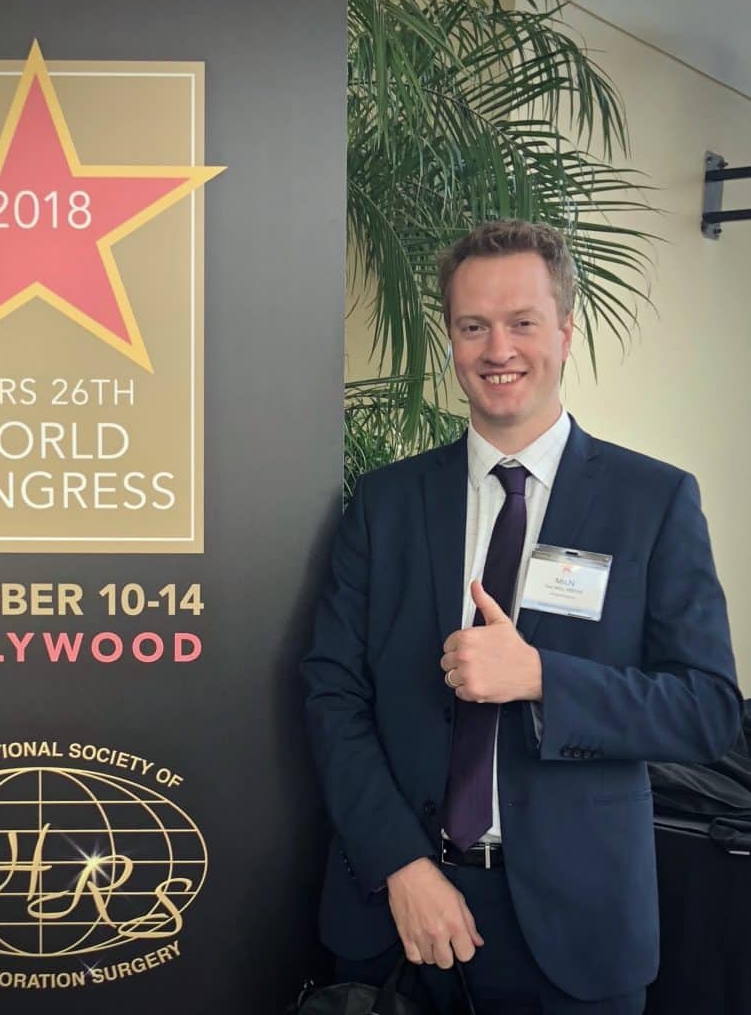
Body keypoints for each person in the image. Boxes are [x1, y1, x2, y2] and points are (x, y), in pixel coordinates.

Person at [301, 220, 743, 1014]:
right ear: (451, 338)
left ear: (564, 332)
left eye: (521, 323)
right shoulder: (385, 504)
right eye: (473, 326)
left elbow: (706, 711)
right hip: (395, 913)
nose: (495, 348)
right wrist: (400, 865)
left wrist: (542, 678)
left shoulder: (653, 502)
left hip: (578, 933)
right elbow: (331, 694)